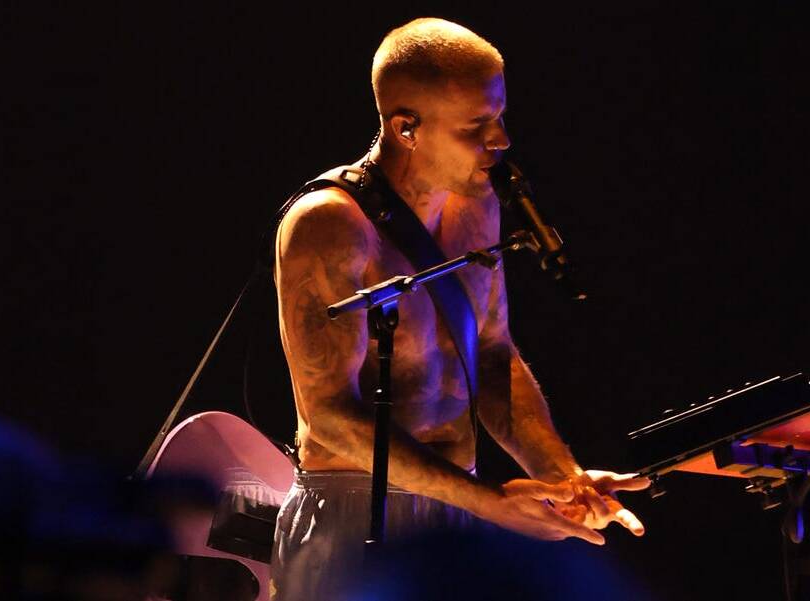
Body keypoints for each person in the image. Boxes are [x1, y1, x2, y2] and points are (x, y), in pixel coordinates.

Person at [271, 18, 649, 599]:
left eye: (499, 117)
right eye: (477, 126)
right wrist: (491, 504)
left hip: (458, 507)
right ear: (406, 128)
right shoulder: (331, 224)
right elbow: (327, 415)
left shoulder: (477, 206)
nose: (502, 139)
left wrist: (563, 480)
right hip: (354, 512)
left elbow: (492, 355)